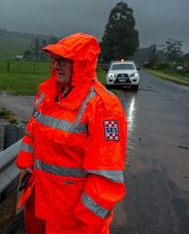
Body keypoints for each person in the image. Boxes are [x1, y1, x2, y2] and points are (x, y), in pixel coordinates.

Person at [15, 32, 127, 234]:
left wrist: (87, 221)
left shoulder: (103, 107)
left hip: (71, 216)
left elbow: (107, 174)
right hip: (38, 199)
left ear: (82, 64)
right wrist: (25, 165)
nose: (57, 65)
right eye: (55, 59)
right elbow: (31, 132)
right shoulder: (47, 94)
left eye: (65, 60)